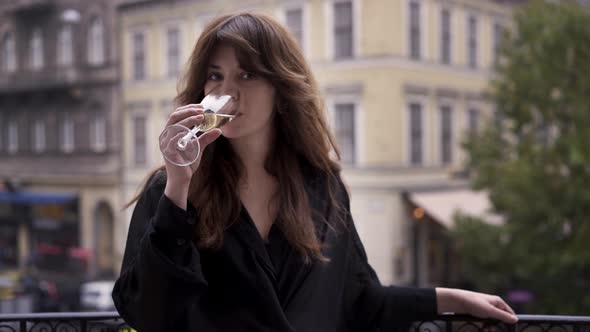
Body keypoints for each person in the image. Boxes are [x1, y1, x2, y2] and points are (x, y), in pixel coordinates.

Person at [112, 12, 518, 332]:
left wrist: (453, 300)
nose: (226, 92)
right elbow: (147, 313)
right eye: (215, 76)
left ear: (282, 90)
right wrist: (180, 187)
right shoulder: (172, 190)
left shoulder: (322, 187)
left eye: (247, 74)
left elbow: (359, 300)